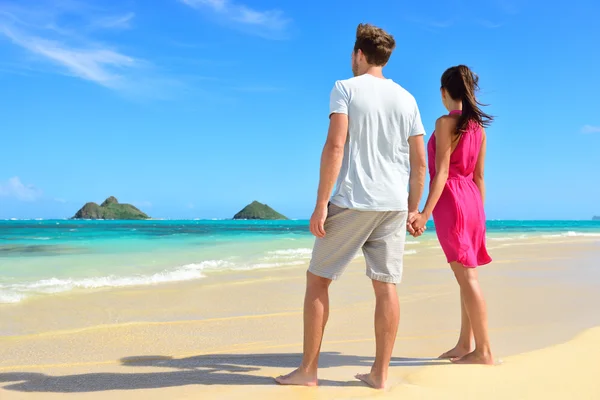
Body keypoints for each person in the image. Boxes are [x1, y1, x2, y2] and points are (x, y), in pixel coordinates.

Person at [275, 23, 427, 389]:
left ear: (359, 54)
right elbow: (420, 163)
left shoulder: (345, 88)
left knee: (318, 281)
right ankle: (379, 374)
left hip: (355, 200)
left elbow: (335, 146)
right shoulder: (407, 98)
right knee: (386, 285)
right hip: (392, 204)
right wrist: (413, 207)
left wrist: (320, 204)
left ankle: (308, 371)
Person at [408, 65, 494, 365]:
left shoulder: (445, 123)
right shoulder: (478, 130)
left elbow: (441, 173)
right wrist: (480, 218)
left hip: (453, 202)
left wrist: (423, 214)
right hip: (472, 202)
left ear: (445, 92)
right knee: (467, 277)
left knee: (467, 279)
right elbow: (480, 177)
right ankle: (465, 344)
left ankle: (483, 351)